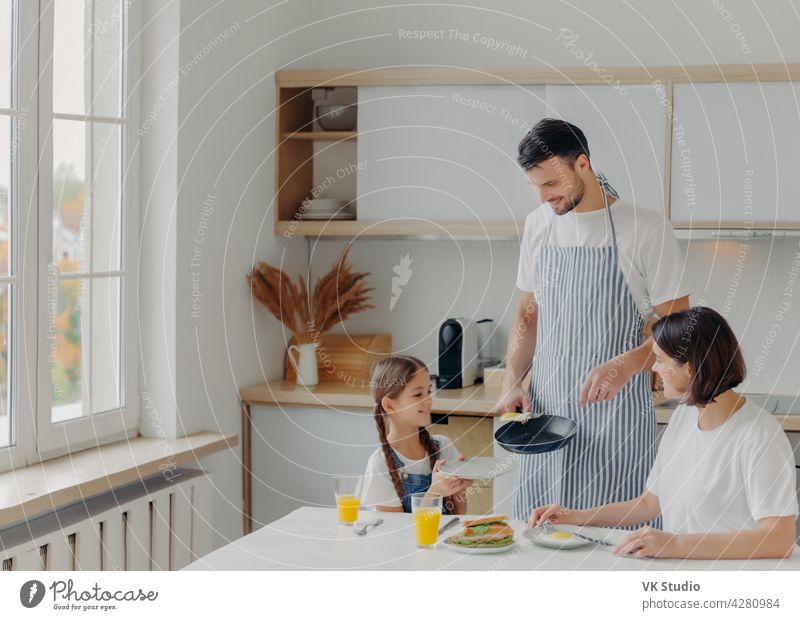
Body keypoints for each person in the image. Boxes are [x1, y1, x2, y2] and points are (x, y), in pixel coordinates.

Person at [494, 118, 690, 521]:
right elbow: (527, 317)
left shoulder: (645, 228)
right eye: (535, 187)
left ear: (582, 165)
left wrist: (629, 363)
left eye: (551, 184)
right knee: (538, 546)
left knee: (615, 551)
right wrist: (512, 380)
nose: (543, 197)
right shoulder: (537, 227)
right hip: (545, 424)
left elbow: (682, 327)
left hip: (617, 421)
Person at [528, 306, 798, 559]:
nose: (654, 368)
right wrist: (577, 516)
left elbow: (780, 538)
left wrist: (676, 544)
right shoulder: (685, 415)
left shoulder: (759, 435)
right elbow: (649, 504)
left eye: (659, 359)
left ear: (689, 367)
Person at [361, 356, 471, 514]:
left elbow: (459, 516)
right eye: (418, 394)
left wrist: (459, 486)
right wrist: (434, 493)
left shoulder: (443, 447)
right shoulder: (380, 465)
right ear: (390, 405)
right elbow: (398, 533)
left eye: (428, 391)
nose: (428, 400)